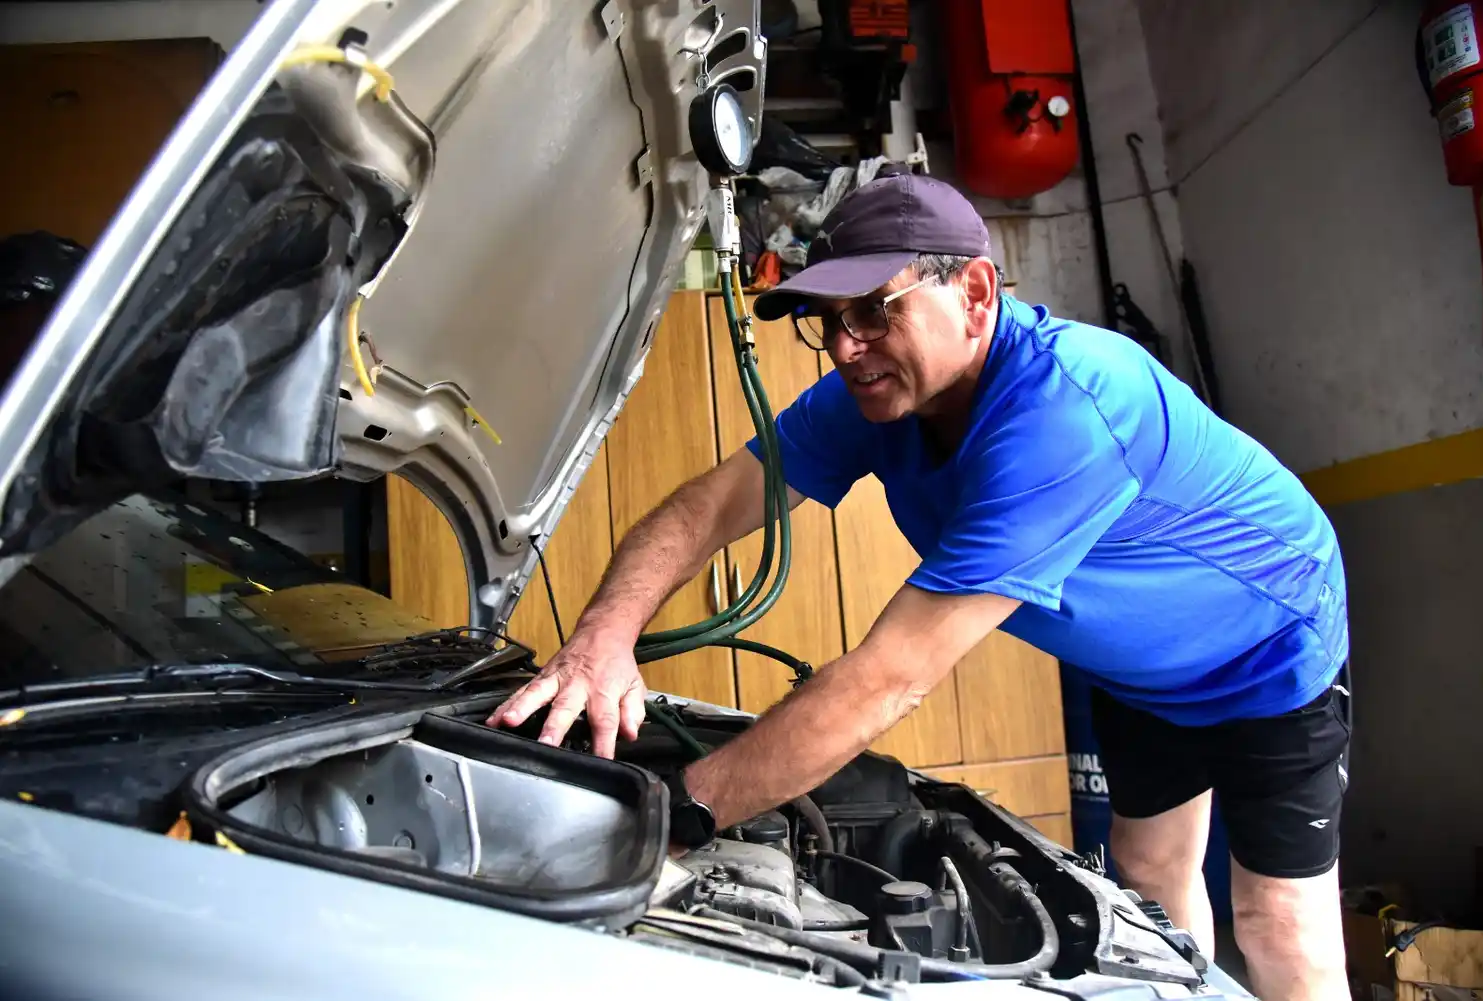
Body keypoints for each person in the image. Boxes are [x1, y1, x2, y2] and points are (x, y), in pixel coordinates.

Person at [488, 169, 1350, 1001]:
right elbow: (710, 505)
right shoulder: (878, 395)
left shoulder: (1066, 411)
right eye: (827, 322)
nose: (844, 347)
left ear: (976, 292)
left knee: (1276, 922)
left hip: (1265, 644)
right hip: (1140, 667)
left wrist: (678, 819)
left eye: (873, 311)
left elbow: (889, 679)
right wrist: (605, 635)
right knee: (1154, 876)